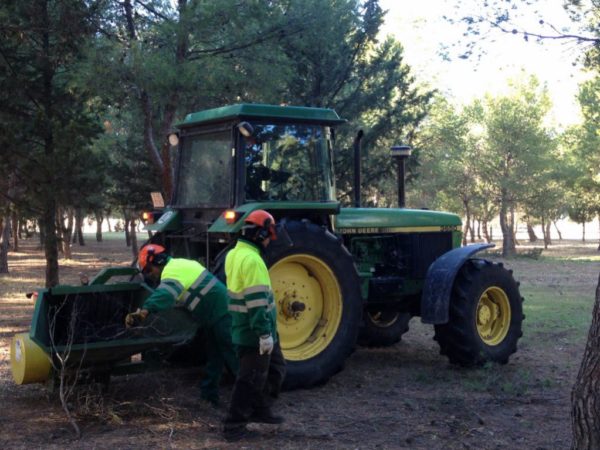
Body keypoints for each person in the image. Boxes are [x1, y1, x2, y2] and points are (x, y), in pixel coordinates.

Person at [125, 244, 238, 406]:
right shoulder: (183, 263)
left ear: (158, 262)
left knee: (234, 357)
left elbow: (166, 294)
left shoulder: (173, 271)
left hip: (223, 315)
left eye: (149, 271)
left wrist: (144, 312)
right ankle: (209, 397)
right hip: (214, 316)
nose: (152, 276)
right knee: (215, 357)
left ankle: (252, 399)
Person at [222, 210, 286, 441]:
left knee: (276, 369)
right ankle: (234, 426)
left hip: (253, 328)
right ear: (260, 234)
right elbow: (257, 302)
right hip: (254, 331)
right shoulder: (252, 260)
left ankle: (260, 410)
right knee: (249, 379)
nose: (270, 240)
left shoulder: (235, 254)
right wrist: (264, 334)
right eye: (268, 235)